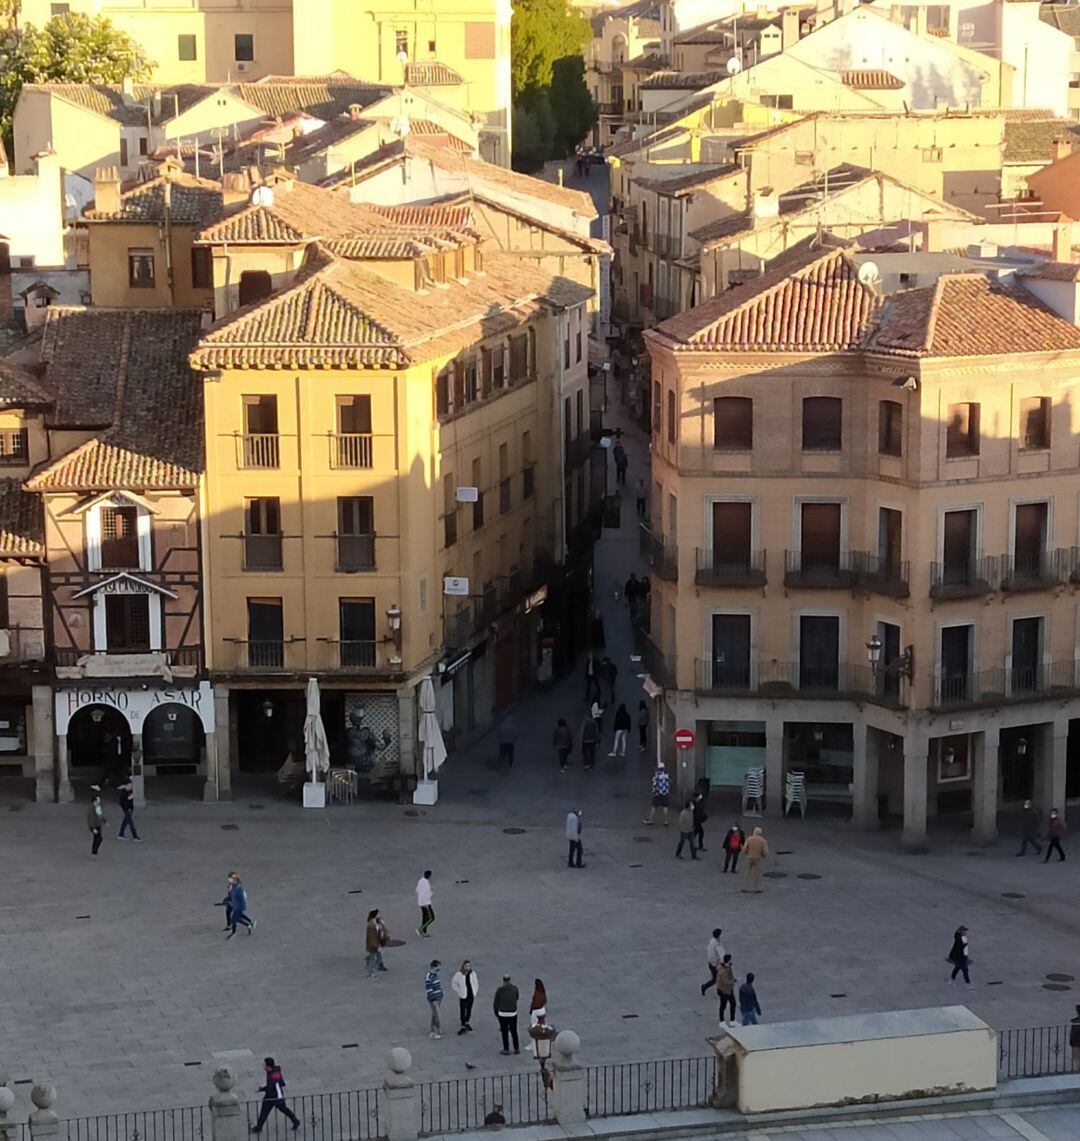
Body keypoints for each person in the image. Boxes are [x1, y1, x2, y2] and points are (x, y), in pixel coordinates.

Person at [249, 1057, 300, 1134]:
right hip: (274, 1096)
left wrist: (262, 1089)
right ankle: (259, 1127)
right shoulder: (273, 1072)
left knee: (278, 1110)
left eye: (264, 1065)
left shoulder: (273, 1076)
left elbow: (270, 1088)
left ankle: (296, 1121)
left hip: (275, 1097)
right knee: (267, 1111)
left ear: (269, 1066)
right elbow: (282, 1083)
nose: (263, 1066)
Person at [493, 974, 520, 1055]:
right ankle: (516, 1048)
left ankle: (506, 1049)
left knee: (504, 1031)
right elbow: (516, 998)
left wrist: (497, 1013)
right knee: (514, 1031)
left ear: (503, 980)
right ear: (510, 980)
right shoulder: (515, 989)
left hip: (502, 1013)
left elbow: (496, 1003)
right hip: (512, 1013)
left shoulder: (499, 990)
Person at [451, 960, 479, 1035]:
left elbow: (476, 983)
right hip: (463, 995)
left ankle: (467, 1022)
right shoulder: (459, 974)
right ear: (463, 966)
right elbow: (454, 983)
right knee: (463, 1010)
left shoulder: (473, 974)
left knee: (469, 1009)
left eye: (469, 966)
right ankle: (463, 1025)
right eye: (466, 966)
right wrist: (459, 991)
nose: (468, 967)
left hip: (471, 994)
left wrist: (475, 992)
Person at [743, 827, 768, 892]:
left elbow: (745, 848)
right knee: (758, 874)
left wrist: (746, 853)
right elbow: (765, 852)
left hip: (749, 857)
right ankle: (757, 887)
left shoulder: (749, 839)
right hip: (758, 858)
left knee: (747, 872)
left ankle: (746, 887)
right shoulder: (763, 841)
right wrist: (763, 855)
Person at [701, 928, 725, 996]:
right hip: (714, 965)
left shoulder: (714, 942)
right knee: (716, 979)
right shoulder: (715, 944)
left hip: (715, 964)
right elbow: (719, 954)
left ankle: (719, 991)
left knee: (718, 978)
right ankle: (704, 987)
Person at [365, 909, 388, 978]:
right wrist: (376, 946)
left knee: (377, 958)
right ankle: (371, 973)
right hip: (374, 945)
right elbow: (372, 937)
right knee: (375, 959)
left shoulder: (377, 924)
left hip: (378, 944)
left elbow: (383, 933)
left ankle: (370, 964)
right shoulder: (372, 925)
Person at [425, 959, 444, 1039]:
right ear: (433, 966)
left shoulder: (434, 975)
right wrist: (433, 1000)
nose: (439, 968)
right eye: (438, 966)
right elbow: (429, 989)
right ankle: (434, 1031)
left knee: (434, 1015)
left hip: (438, 998)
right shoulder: (429, 977)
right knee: (437, 1016)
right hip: (434, 1000)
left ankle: (434, 1030)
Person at [716, 955, 736, 1026]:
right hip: (724, 991)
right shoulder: (723, 971)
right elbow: (726, 981)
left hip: (729, 989)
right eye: (730, 959)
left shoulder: (728, 967)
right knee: (723, 1005)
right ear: (728, 960)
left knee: (733, 1004)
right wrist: (733, 981)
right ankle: (721, 1021)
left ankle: (732, 1020)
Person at [416, 870, 435, 937]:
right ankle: (420, 929)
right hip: (426, 903)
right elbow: (425, 894)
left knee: (425, 917)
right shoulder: (426, 884)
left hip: (421, 903)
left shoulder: (421, 881)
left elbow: (417, 890)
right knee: (432, 917)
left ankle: (424, 932)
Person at [87, 793, 105, 857]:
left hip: (98, 825)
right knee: (98, 838)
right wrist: (93, 828)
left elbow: (100, 814)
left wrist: (104, 821)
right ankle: (94, 852)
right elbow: (91, 819)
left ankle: (94, 852)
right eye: (98, 800)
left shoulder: (97, 807)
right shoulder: (91, 808)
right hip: (94, 826)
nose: (99, 801)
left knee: (97, 838)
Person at [1070, 1005, 1080, 1071]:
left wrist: (1071, 1042)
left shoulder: (1076, 1022)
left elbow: (1073, 1033)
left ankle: (1076, 1069)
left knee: (1076, 1057)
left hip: (1076, 1042)